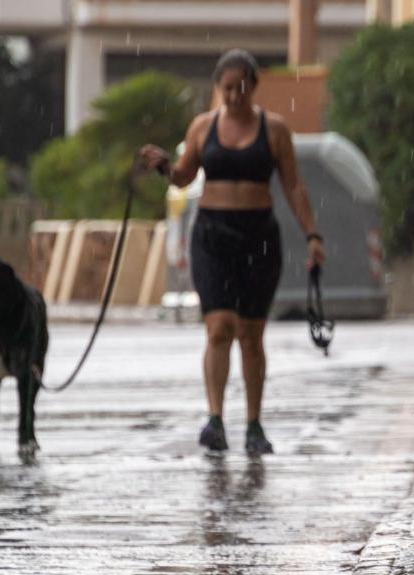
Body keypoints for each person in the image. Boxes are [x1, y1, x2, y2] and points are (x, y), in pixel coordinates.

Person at [139, 49, 326, 455]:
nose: (234, 95)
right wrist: (163, 167)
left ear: (253, 86)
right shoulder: (203, 128)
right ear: (217, 88)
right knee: (219, 326)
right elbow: (184, 177)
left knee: (251, 335)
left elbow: (294, 186)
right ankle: (215, 419)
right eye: (227, 88)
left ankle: (255, 425)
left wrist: (313, 235)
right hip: (212, 236)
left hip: (259, 236)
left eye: (241, 87)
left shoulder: (274, 129)